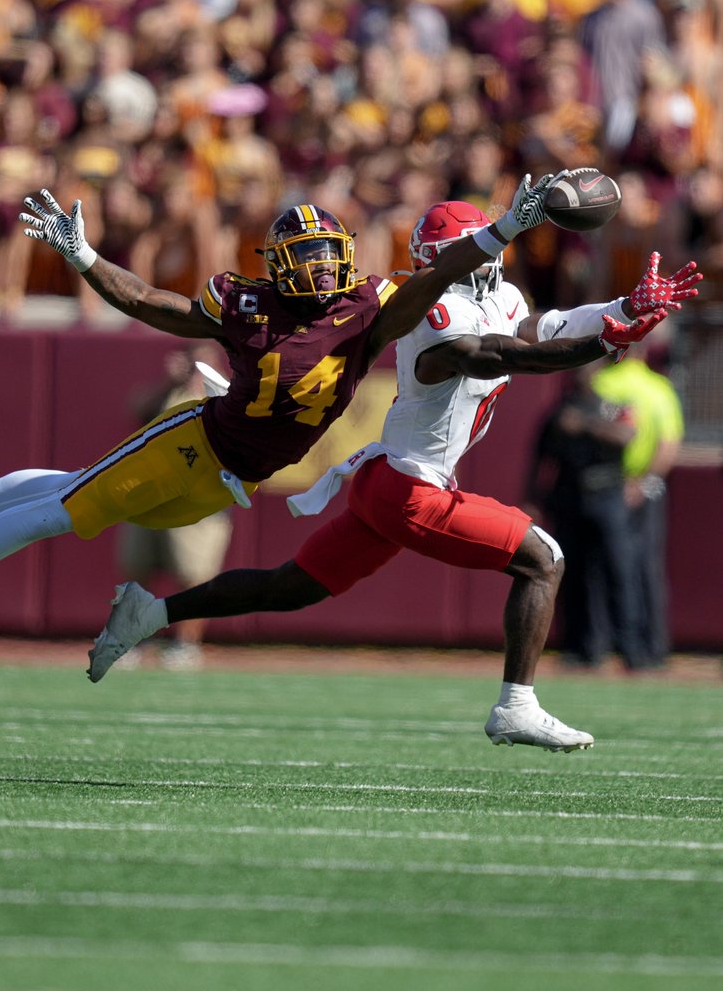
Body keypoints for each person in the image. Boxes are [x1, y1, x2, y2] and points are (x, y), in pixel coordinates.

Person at [0, 171, 562, 682]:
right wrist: (84, 257)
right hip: (193, 443)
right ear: (280, 264)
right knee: (63, 512)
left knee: (71, 488)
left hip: (232, 478)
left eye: (326, 254)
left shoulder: (371, 307)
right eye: (305, 257)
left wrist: (505, 230)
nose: (319, 268)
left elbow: (435, 281)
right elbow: (153, 303)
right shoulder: (247, 303)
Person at [82, 204, 701, 751]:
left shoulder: (500, 299)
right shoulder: (431, 313)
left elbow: (544, 327)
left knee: (292, 587)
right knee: (544, 559)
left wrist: (623, 309)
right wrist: (606, 344)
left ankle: (151, 614)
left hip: (389, 480)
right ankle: (516, 705)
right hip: (410, 487)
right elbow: (502, 355)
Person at [119, 342, 235, 670]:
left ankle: (185, 645)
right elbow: (138, 408)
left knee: (193, 575)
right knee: (137, 569)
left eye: (203, 361)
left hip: (199, 505)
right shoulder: (168, 395)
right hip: (152, 500)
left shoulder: (224, 396)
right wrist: (170, 381)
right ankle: (132, 640)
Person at [527, 364, 645, 669]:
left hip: (607, 495)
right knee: (573, 574)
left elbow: (625, 436)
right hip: (569, 498)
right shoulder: (558, 412)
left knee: (619, 570)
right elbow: (540, 460)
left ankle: (631, 648)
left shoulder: (610, 406)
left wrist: (586, 425)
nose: (582, 373)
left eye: (588, 366)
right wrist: (532, 499)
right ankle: (582, 648)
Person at [591, 335, 685, 667]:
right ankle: (649, 649)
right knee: (645, 568)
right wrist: (644, 482)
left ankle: (597, 648)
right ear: (642, 351)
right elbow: (668, 443)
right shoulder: (658, 388)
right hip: (644, 486)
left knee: (599, 569)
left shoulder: (600, 382)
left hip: (603, 486)